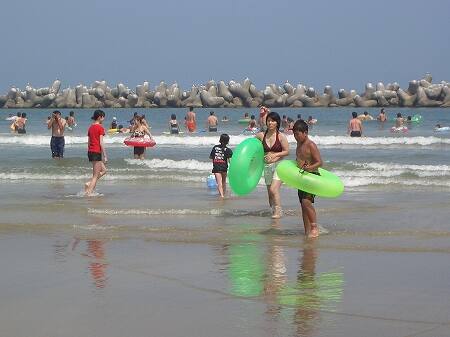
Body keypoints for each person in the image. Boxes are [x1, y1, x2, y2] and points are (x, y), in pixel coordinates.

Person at [255, 112, 289, 219]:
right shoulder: (261, 135)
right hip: (267, 167)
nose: (270, 123)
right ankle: (273, 210)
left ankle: (278, 212)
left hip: (279, 166)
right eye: (269, 120)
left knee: (274, 189)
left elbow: (287, 151)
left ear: (277, 123)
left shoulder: (281, 136)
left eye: (273, 121)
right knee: (270, 192)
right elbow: (252, 147)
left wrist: (275, 155)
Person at [293, 119, 323, 238]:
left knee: (306, 202)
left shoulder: (311, 145)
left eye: (297, 134)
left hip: (312, 177)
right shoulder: (298, 144)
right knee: (303, 204)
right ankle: (307, 230)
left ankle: (314, 227)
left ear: (305, 133)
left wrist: (309, 168)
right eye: (294, 134)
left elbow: (320, 162)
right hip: (302, 177)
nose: (295, 137)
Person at [85, 110, 107, 196]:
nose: (104, 119)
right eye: (103, 117)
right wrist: (105, 155)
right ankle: (89, 193)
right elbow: (101, 142)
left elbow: (89, 142)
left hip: (90, 151)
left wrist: (90, 151)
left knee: (104, 170)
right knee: (95, 175)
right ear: (99, 117)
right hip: (96, 151)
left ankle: (89, 183)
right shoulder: (100, 127)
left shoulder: (90, 127)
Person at [209, 134, 233, 198]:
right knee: (224, 181)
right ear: (227, 141)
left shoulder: (215, 147)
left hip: (216, 167)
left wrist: (214, 164)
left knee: (219, 183)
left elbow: (211, 157)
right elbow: (230, 161)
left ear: (220, 140)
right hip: (224, 167)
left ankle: (221, 195)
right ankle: (223, 194)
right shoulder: (228, 150)